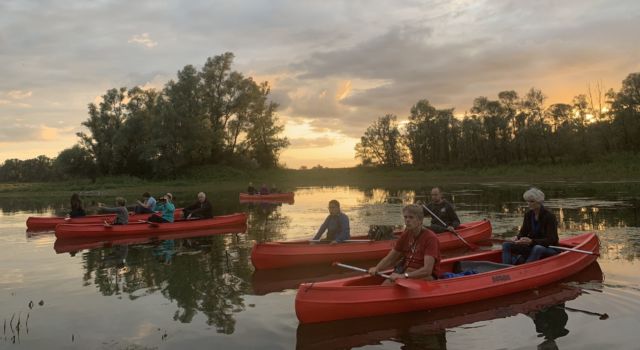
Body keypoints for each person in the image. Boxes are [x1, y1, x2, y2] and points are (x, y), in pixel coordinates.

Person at [368, 204, 441, 284]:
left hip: (425, 277)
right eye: (405, 217)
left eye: (411, 217)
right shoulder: (405, 235)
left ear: (420, 220)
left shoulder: (430, 238)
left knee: (390, 285)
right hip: (407, 272)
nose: (407, 220)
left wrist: (404, 276)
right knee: (386, 284)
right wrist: (377, 268)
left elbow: (427, 270)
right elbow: (390, 258)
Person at [502, 187, 559, 265]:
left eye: (532, 201)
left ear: (539, 202)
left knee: (538, 248)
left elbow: (551, 239)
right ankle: (506, 268)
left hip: (550, 248)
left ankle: (525, 270)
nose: (528, 204)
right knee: (506, 245)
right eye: (527, 201)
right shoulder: (528, 215)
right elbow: (523, 233)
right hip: (532, 245)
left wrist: (532, 241)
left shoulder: (549, 216)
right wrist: (517, 238)